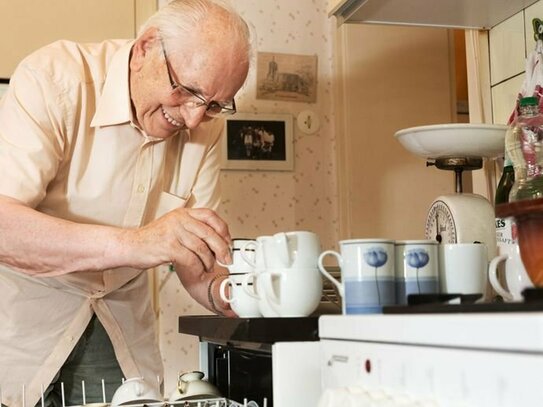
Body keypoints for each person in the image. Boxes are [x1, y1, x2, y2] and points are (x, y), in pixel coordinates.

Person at [0, 0, 252, 405]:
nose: (192, 119)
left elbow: (199, 267)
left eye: (214, 105)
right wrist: (139, 242)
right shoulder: (53, 78)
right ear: (145, 49)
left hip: (121, 335)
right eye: (186, 92)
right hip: (19, 332)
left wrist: (243, 295)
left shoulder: (204, 128)